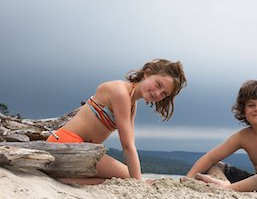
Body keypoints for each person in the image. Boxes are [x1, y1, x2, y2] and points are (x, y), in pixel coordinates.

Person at [48, 59, 187, 185]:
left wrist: (136, 180)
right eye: (158, 84)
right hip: (66, 144)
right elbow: (127, 146)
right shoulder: (120, 92)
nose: (158, 93)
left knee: (127, 176)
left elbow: (130, 142)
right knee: (128, 175)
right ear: (147, 73)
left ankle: (68, 180)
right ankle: (65, 180)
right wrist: (139, 183)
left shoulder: (132, 103)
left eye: (164, 94)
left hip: (82, 149)